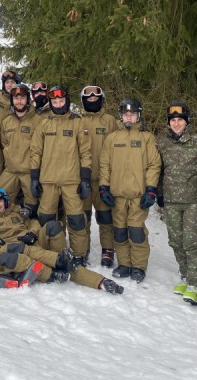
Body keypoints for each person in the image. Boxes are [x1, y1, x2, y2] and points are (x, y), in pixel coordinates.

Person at [0, 188, 123, 292]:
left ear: (5, 202)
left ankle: (65, 260)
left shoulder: (16, 214)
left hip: (32, 243)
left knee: (53, 226)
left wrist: (32, 233)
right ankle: (99, 281)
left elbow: (34, 223)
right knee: (62, 265)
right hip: (19, 252)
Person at [98, 98, 161, 283]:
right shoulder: (112, 138)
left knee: (136, 231)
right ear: (121, 115)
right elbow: (104, 165)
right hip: (117, 195)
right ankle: (124, 264)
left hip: (138, 195)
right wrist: (104, 187)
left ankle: (139, 266)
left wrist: (151, 189)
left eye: (132, 114)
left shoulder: (146, 138)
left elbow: (154, 164)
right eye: (126, 114)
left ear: (138, 115)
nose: (129, 117)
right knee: (119, 231)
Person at [29, 86, 92, 265]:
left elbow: (85, 152)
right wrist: (34, 177)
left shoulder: (77, 122)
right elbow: (35, 152)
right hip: (48, 181)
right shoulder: (44, 123)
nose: (57, 104)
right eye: (54, 102)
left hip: (71, 181)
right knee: (46, 219)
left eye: (61, 101)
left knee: (76, 219)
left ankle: (79, 255)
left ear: (67, 101)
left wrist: (85, 178)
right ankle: (50, 253)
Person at [156, 103, 197, 305]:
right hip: (171, 201)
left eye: (180, 120)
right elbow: (159, 171)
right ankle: (186, 276)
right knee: (176, 241)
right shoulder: (162, 144)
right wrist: (159, 194)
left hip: (194, 201)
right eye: (173, 120)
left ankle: (196, 283)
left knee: (192, 242)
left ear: (187, 122)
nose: (176, 123)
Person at [79, 85, 121, 268]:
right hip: (83, 179)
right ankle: (82, 249)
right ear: (83, 100)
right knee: (83, 217)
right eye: (88, 97)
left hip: (104, 179)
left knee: (105, 218)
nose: (92, 99)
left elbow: (122, 139)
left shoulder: (110, 121)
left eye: (96, 97)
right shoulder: (77, 120)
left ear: (102, 99)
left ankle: (108, 250)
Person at [0, 83, 41, 216]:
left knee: (33, 205)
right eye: (16, 98)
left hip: (29, 172)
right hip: (10, 171)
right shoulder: (6, 122)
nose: (19, 101)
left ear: (28, 99)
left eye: (22, 98)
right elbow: (4, 144)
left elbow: (40, 148)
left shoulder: (37, 121)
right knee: (1, 201)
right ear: (12, 100)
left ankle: (33, 233)